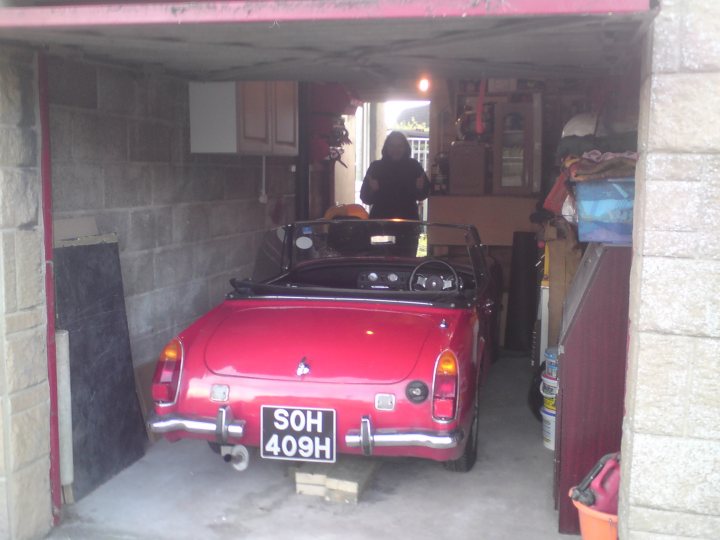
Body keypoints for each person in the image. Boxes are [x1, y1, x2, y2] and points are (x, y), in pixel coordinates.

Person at [360, 131, 431, 220]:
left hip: (408, 221)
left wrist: (420, 188)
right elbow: (365, 198)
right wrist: (372, 190)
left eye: (399, 146)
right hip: (380, 222)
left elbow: (424, 194)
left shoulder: (414, 166)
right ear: (386, 147)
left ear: (405, 148)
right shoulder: (376, 167)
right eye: (392, 146)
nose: (395, 149)